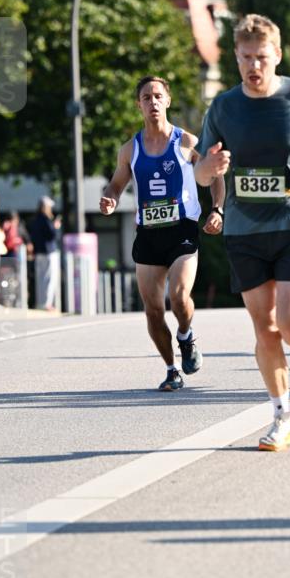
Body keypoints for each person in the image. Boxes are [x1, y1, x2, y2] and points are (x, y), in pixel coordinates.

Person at [193, 15, 290, 452]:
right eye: (245, 58)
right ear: (236, 58)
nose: (253, 66)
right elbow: (202, 172)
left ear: (276, 55)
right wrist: (211, 168)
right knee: (264, 328)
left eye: (261, 57)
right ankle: (281, 416)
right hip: (245, 232)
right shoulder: (224, 106)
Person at [100, 75, 225, 391]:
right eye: (146, 97)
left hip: (182, 229)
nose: (153, 102)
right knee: (153, 310)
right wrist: (110, 197)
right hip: (148, 233)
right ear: (138, 105)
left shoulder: (187, 142)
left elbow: (216, 174)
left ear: (167, 101)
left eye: (158, 96)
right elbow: (117, 183)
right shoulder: (130, 149)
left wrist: (217, 209)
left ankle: (185, 333)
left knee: (179, 297)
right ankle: (171, 369)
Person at [29, 197, 61, 311]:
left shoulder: (35, 219)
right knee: (49, 278)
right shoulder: (46, 219)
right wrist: (56, 227)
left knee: (40, 278)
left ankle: (40, 303)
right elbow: (51, 235)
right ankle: (46, 303)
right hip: (48, 252)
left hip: (38, 252)